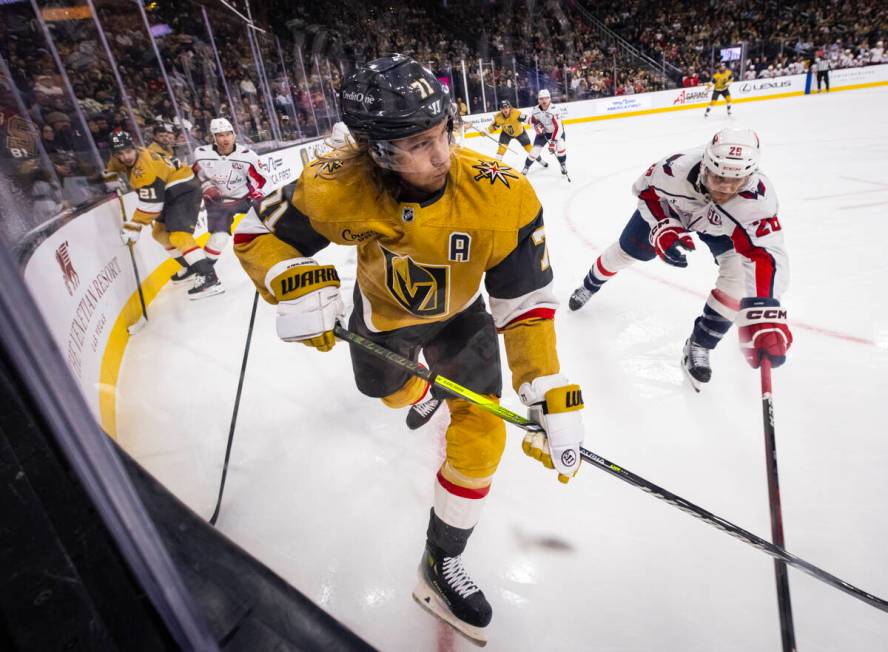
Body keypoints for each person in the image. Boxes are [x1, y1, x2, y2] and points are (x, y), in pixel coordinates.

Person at [232, 54, 585, 645]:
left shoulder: (504, 195)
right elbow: (255, 233)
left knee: (483, 434)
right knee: (391, 393)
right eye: (419, 144)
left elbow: (525, 302)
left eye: (444, 131)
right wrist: (286, 279)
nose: (442, 154)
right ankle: (421, 389)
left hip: (462, 317)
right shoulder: (335, 182)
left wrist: (545, 385)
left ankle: (440, 561)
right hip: (383, 321)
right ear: (375, 149)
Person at [568, 129, 791, 391]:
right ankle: (590, 284)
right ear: (706, 165)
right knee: (627, 251)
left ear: (750, 176)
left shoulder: (758, 198)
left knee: (738, 280)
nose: (726, 189)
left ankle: (700, 343)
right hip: (673, 210)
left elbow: (765, 255)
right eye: (718, 177)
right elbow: (646, 193)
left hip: (724, 228)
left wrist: (764, 313)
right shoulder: (674, 169)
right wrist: (663, 227)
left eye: (737, 181)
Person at [106, 130, 222, 298]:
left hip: (184, 189)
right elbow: (113, 166)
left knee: (179, 235)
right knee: (159, 233)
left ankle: (209, 278)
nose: (126, 157)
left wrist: (134, 227)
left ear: (134, 148)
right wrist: (109, 179)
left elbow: (152, 205)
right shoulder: (126, 156)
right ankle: (189, 267)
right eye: (120, 154)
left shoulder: (145, 168)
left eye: (128, 151)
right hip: (170, 190)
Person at [191, 117, 267, 277]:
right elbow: (197, 175)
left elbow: (262, 179)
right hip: (219, 204)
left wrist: (256, 195)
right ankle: (205, 275)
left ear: (234, 135)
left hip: (244, 198)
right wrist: (207, 187)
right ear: (213, 137)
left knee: (270, 221)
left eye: (228, 134)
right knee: (218, 238)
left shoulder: (247, 155)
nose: (225, 139)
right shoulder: (201, 154)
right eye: (220, 135)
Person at [485, 99, 546, 171]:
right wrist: (486, 131)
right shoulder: (498, 117)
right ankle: (496, 165)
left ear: (510, 107)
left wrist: (535, 125)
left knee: (529, 148)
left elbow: (527, 120)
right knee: (502, 148)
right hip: (506, 133)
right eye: (503, 108)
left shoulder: (516, 113)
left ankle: (541, 161)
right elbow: (494, 127)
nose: (505, 110)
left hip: (520, 133)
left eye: (507, 107)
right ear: (500, 109)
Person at [527, 89, 569, 179]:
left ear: (550, 99)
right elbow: (533, 122)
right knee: (534, 151)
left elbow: (558, 128)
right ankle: (526, 167)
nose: (544, 100)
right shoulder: (535, 110)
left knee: (561, 147)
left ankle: (563, 165)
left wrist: (553, 142)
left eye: (546, 98)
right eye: (541, 99)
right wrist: (536, 127)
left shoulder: (555, 109)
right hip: (544, 133)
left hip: (556, 132)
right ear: (538, 100)